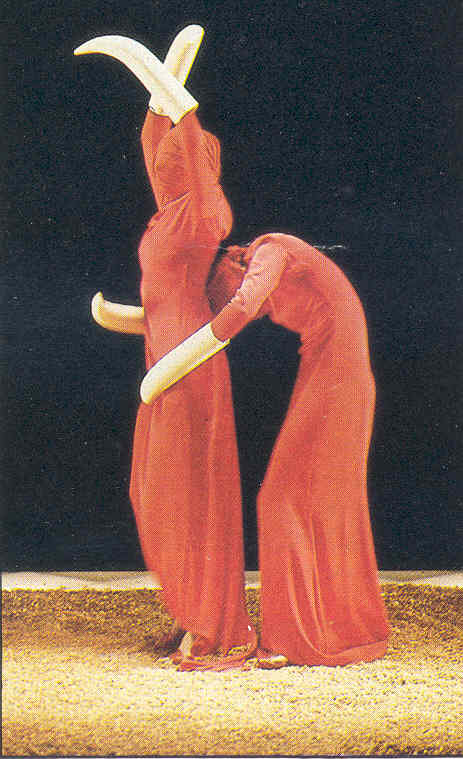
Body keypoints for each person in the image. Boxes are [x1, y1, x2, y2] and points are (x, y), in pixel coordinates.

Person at [75, 28, 256, 670]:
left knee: (189, 488)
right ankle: (195, 611)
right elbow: (158, 136)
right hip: (164, 354)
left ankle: (215, 626)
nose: (158, 164)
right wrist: (160, 95)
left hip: (189, 363)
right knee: (160, 487)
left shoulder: (203, 211)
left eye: (173, 157)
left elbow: (181, 125)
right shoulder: (169, 213)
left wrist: (154, 75)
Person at [142, 233, 391, 667]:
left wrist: (169, 367)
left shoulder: (271, 251)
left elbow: (241, 308)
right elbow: (239, 309)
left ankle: (295, 639)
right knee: (312, 502)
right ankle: (330, 628)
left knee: (281, 500)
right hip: (332, 372)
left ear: (233, 267)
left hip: (339, 377)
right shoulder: (275, 261)